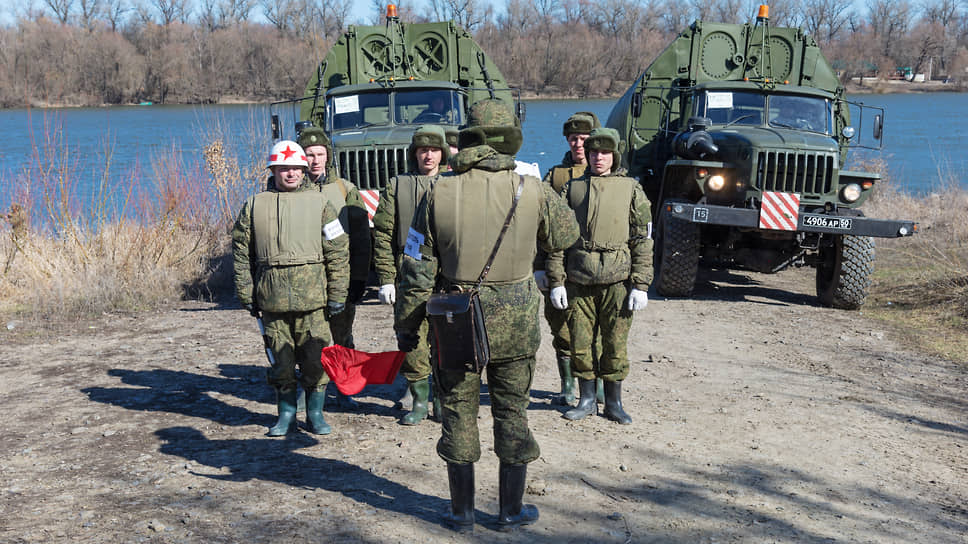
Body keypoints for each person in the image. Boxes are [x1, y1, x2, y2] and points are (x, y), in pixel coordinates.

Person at [394, 99, 579, 532]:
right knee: (512, 412)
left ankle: (461, 513)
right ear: (509, 139)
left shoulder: (437, 190)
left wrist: (408, 329)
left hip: (455, 321)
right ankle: (510, 511)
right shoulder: (530, 188)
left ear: (468, 139)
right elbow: (567, 233)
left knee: (457, 410)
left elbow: (415, 266)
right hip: (514, 325)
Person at [232, 140, 350, 436]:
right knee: (280, 363)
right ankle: (285, 413)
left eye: (295, 169)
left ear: (303, 170)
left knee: (315, 360)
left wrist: (338, 293)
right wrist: (246, 292)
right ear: (273, 170)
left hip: (313, 302)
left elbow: (338, 251)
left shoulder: (323, 205)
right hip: (272, 301)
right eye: (284, 169)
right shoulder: (254, 205)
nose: (291, 174)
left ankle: (315, 414)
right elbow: (241, 253)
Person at [547, 127, 653, 425]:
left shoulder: (631, 189)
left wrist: (640, 284)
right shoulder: (572, 189)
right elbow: (557, 238)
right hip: (579, 279)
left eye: (604, 152)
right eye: (593, 152)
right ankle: (586, 398)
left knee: (615, 343)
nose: (598, 157)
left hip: (617, 280)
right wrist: (556, 280)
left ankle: (614, 401)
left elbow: (643, 239)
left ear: (614, 155)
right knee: (581, 343)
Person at [372, 125, 450, 425]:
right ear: (414, 153)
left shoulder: (452, 184)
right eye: (422, 149)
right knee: (411, 337)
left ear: (442, 153)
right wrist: (386, 278)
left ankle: (441, 400)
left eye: (433, 149)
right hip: (408, 272)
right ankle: (418, 400)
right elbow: (383, 235)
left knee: (445, 340)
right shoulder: (396, 186)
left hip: (445, 275)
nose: (428, 155)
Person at [297, 127, 372, 408]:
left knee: (341, 336)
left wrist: (359, 280)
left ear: (328, 156)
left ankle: (345, 387)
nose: (315, 160)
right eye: (309, 155)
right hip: (305, 280)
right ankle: (311, 392)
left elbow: (362, 239)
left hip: (340, 277)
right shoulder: (290, 191)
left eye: (320, 154)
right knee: (307, 338)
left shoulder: (345, 189)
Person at [536, 111, 601, 406]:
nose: (578, 144)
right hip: (560, 264)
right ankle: (567, 383)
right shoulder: (555, 175)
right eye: (573, 138)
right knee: (561, 325)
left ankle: (597, 382)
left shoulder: (609, 175)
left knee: (596, 328)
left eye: (584, 139)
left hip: (593, 267)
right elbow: (539, 224)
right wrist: (539, 267)